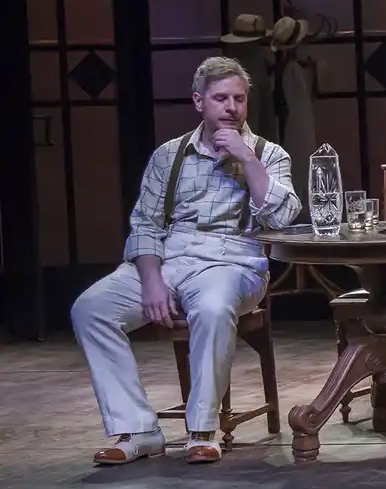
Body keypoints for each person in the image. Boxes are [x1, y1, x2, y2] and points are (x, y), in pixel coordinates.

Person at [71, 56, 302, 466]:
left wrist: (248, 161)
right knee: (90, 309)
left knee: (212, 308)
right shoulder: (169, 155)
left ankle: (202, 430)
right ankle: (138, 428)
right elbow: (144, 224)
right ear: (199, 102)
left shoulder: (268, 153)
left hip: (233, 261)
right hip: (170, 258)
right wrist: (152, 278)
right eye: (220, 99)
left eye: (239, 99)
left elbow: (283, 218)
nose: (231, 107)